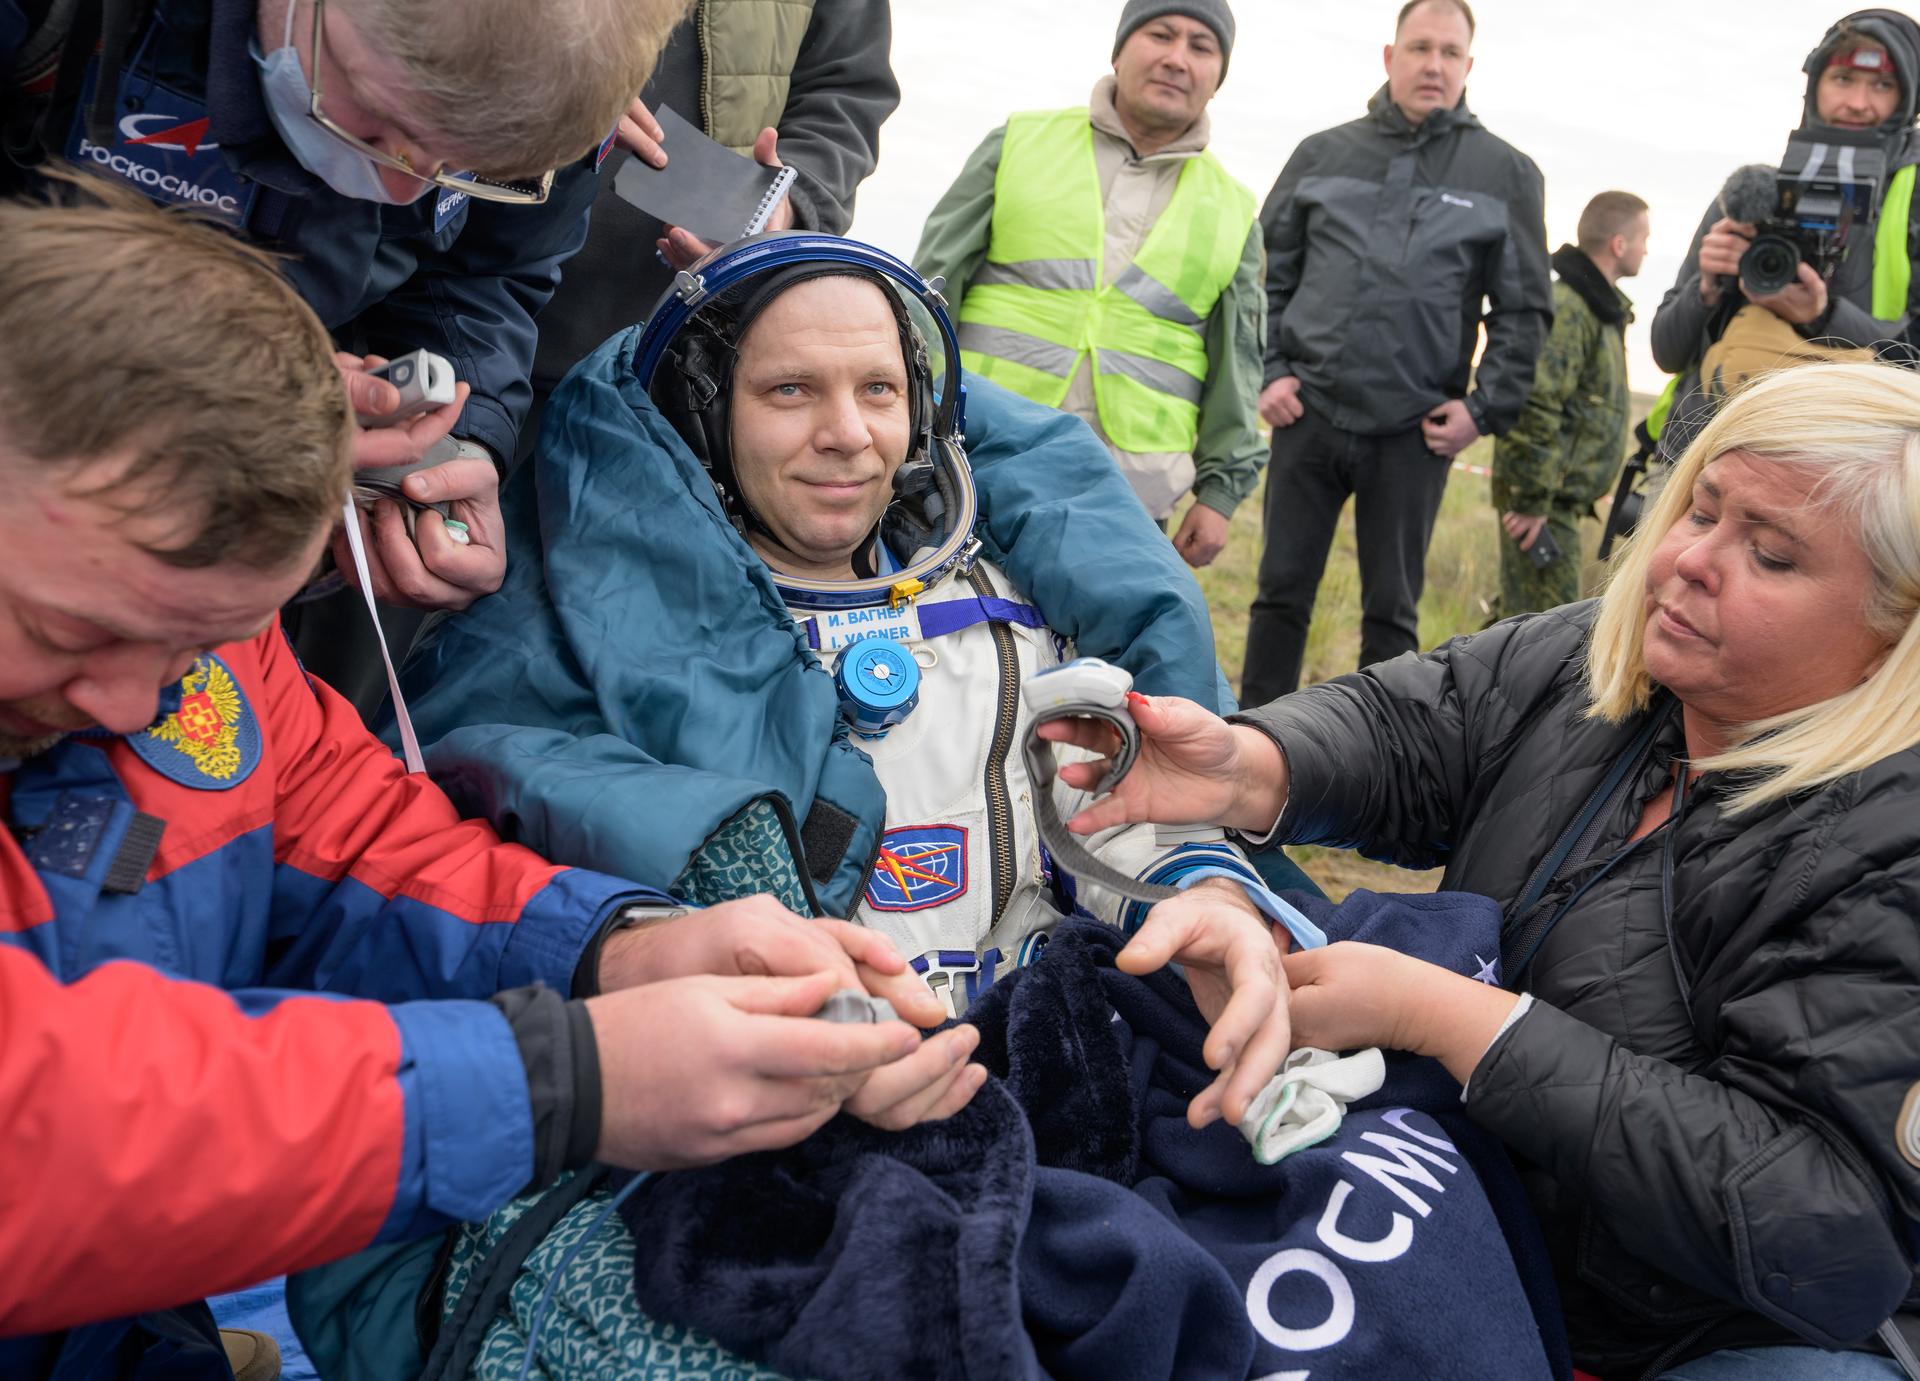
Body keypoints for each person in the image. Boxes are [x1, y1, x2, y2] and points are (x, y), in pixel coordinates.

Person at [288, 233, 1303, 1378]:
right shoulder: (591, 643)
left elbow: (1128, 823)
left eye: (880, 390)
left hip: (1033, 1081)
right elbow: (504, 876)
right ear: (704, 409)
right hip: (730, 1125)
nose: (847, 433)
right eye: (790, 392)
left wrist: (1202, 887)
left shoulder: (1019, 600)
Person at [0, 185, 952, 1379]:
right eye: (67, 632)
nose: (130, 702)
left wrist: (623, 945)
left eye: (196, 648)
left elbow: (348, 838)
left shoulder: (174, 637)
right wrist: (562, 1081)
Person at [1050, 360, 1920, 1377]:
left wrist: (1453, 1021)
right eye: (1701, 508)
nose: (1688, 560)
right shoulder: (1614, 659)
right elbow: (1421, 724)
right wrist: (1245, 766)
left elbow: (1830, 1228)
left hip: (1691, 1336)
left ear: (1894, 633)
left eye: (1769, 554)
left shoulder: (1894, 844)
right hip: (1462, 1213)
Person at [0, 0, 682, 711]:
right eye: (376, 124)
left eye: (464, 167)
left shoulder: (557, 84)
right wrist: (218, 377)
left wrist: (457, 439)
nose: (401, 187)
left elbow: (484, 271)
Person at [1241, 0, 1550, 701]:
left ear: (1468, 66)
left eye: (1449, 52)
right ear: (1391, 56)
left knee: (1391, 617)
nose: (1433, 65)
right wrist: (1271, 370)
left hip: (1415, 432)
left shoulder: (1506, 173)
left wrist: (1482, 409)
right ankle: (1251, 737)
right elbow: (1265, 274)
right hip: (1308, 414)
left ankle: (1378, 758)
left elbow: (1524, 308)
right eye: (1419, 48)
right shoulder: (1321, 154)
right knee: (1280, 594)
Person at [914, 0, 1266, 570]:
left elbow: (1237, 368)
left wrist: (1220, 494)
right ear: (1119, 51)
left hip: (1132, 494)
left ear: (1217, 76)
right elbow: (928, 293)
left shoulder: (1234, 211)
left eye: (1201, 47)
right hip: (977, 458)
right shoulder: (1019, 143)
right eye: (1161, 35)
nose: (1178, 58)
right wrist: (908, 418)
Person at [524, 0, 901, 466]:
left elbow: (845, 92)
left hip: (680, 365)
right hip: (477, 305)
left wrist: (787, 207)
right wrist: (539, 95)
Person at [1649, 11, 1920, 462]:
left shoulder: (1913, 210)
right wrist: (1707, 288)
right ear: (1815, 85)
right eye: (1843, 79)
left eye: (1882, 85)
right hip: (1705, 453)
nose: (1858, 102)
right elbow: (1666, 351)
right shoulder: (1751, 196)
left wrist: (1823, 316)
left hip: (1848, 470)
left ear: (1908, 97)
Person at [1490, 190, 1648, 618]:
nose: (1647, 250)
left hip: (1557, 505)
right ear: (1619, 244)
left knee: (1520, 622)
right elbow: (1535, 404)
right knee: (1538, 633)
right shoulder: (1569, 309)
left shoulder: (1599, 311)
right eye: (1644, 239)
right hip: (1542, 508)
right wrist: (1530, 502)